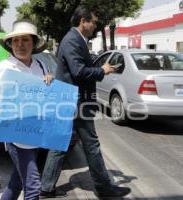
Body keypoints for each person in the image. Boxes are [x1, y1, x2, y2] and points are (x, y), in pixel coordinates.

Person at [39, 6, 131, 199]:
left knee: (59, 144)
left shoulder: (75, 39)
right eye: (94, 22)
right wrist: (102, 71)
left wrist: (99, 67)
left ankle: (46, 187)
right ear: (83, 21)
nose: (96, 26)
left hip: (71, 99)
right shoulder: (73, 40)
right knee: (91, 145)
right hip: (76, 101)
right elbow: (78, 71)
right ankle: (104, 189)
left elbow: (78, 68)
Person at [0, 19, 53, 200]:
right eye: (15, 40)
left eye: (25, 40)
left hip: (35, 134)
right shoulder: (3, 68)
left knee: (17, 181)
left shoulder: (41, 66)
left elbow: (45, 98)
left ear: (33, 43)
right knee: (33, 186)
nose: (20, 45)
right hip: (16, 135)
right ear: (10, 44)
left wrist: (50, 82)